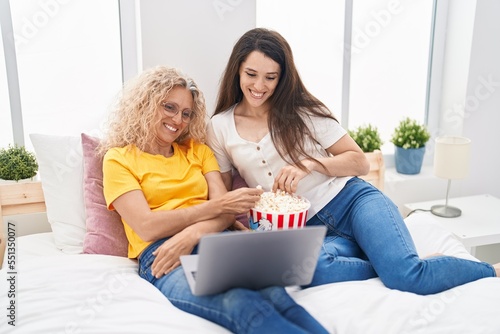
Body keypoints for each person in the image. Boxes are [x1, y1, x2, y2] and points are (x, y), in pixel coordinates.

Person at [208, 27, 500, 295]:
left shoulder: (301, 111)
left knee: (407, 277)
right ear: (238, 71)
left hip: (353, 202)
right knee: (310, 270)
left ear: (282, 77)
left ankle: (489, 270)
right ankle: (385, 260)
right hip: (305, 228)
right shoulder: (219, 127)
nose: (260, 85)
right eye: (251, 74)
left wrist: (308, 164)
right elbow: (221, 193)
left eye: (270, 77)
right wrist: (235, 225)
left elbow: (359, 161)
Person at [100, 65, 329, 334]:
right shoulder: (118, 159)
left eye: (186, 113)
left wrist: (192, 234)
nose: (178, 120)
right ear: (146, 103)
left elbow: (227, 213)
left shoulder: (198, 151)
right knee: (241, 305)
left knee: (278, 297)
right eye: (169, 107)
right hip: (163, 254)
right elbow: (147, 226)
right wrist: (213, 208)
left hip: (216, 243)